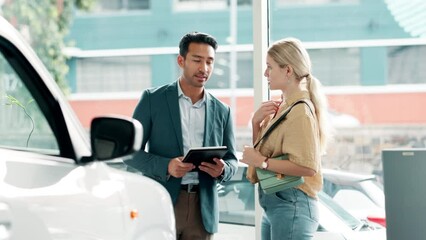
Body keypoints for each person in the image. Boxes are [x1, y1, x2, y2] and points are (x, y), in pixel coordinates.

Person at [125, 31, 238, 240]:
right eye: (197, 60)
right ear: (181, 60)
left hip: (202, 210)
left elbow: (232, 160)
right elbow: (130, 153)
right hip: (163, 202)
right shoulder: (153, 100)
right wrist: (167, 166)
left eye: (209, 62)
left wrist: (223, 170)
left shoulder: (223, 111)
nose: (204, 68)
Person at [241, 37, 330, 240]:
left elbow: (308, 167)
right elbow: (261, 152)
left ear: (288, 70)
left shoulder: (300, 112)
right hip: (277, 204)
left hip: (293, 204)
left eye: (270, 67)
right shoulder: (284, 107)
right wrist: (256, 123)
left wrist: (261, 162)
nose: (266, 73)